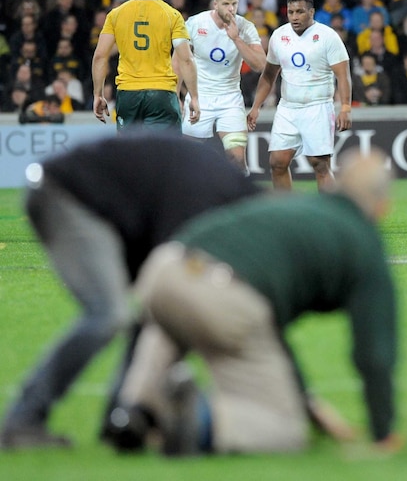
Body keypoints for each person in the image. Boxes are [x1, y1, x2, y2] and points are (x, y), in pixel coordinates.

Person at [108, 148, 400, 456]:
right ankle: (201, 420)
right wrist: (382, 433)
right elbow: (375, 354)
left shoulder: (295, 204)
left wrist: (304, 397)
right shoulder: (364, 244)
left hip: (165, 266)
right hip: (223, 291)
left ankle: (133, 412)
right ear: (382, 207)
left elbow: (272, 332)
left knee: (172, 320)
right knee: (284, 427)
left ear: (334, 186)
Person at [0, 134, 261, 450]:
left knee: (140, 315)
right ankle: (22, 420)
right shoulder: (207, 193)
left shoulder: (216, 186)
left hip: (80, 199)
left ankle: (120, 415)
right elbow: (167, 272)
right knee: (108, 314)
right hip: (66, 196)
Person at [247, 0, 352, 191]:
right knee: (277, 162)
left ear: (311, 12)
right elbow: (269, 75)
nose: (294, 17)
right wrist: (255, 107)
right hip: (287, 108)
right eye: (291, 12)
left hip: (318, 106)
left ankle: (328, 218)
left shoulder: (327, 36)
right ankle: (286, 217)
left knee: (320, 164)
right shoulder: (279, 36)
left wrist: (345, 107)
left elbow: (343, 75)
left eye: (300, 12)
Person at [92, 0, 200, 131]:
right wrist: (194, 97)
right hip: (162, 94)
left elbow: (99, 57)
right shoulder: (172, 15)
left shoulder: (116, 14)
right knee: (165, 155)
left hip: (128, 94)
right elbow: (186, 59)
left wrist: (98, 94)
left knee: (132, 156)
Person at [176, 0, 266, 173]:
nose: (231, 9)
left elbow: (260, 65)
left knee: (237, 159)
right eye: (226, 4)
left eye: (234, 4)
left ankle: (240, 200)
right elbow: (179, 60)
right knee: (187, 158)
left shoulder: (245, 27)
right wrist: (175, 95)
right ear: (215, 4)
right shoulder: (195, 23)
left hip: (230, 99)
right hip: (199, 97)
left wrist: (236, 39)